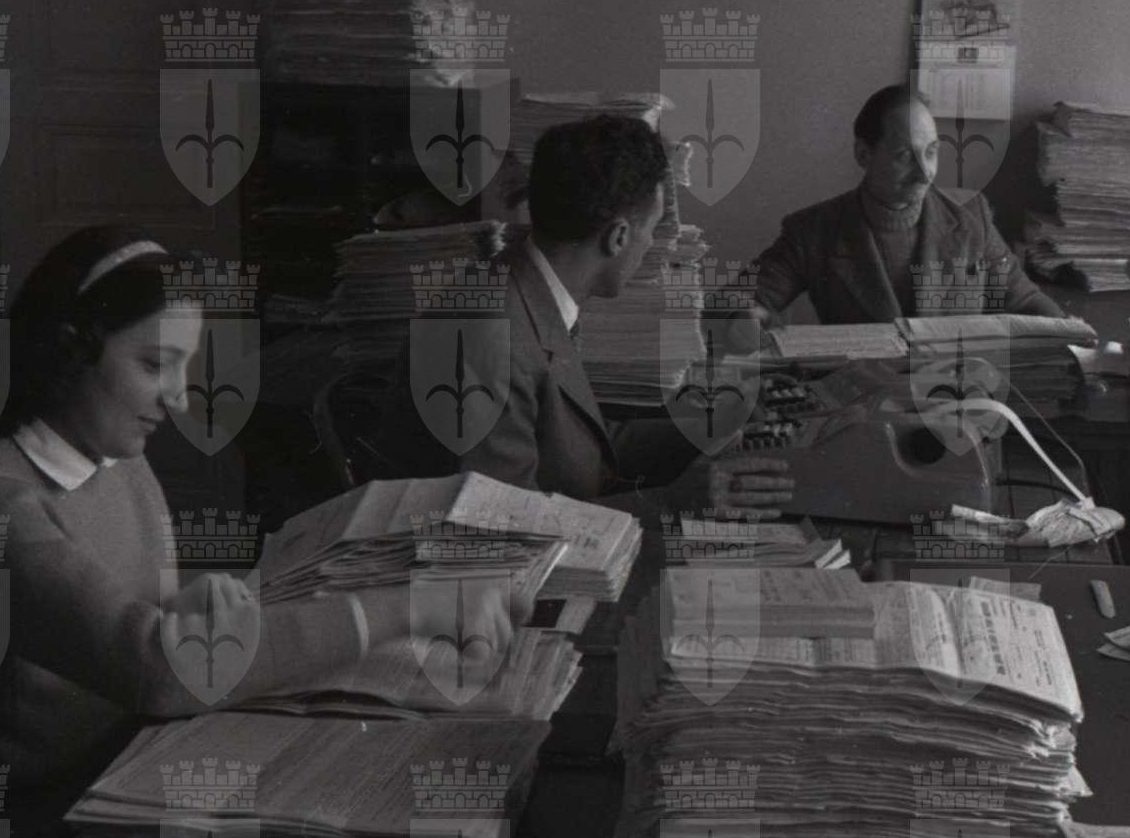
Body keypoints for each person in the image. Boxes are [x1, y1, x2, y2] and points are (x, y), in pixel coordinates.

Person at [0, 225, 505, 838]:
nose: (179, 398)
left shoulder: (112, 461)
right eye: (155, 365)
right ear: (69, 350)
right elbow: (156, 666)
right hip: (71, 837)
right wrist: (411, 607)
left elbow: (124, 610)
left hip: (144, 771)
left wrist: (190, 600)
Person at [398, 114, 793, 518]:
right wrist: (676, 502)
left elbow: (581, 450)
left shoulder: (530, 288)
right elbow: (502, 522)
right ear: (618, 237)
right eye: (653, 229)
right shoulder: (491, 338)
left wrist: (710, 423)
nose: (651, 244)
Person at [735, 85, 1065, 328]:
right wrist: (748, 318)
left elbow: (1025, 300)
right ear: (863, 155)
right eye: (905, 156)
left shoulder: (971, 215)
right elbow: (737, 299)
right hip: (860, 396)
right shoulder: (813, 231)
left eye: (931, 152)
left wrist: (1073, 339)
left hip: (955, 394)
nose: (924, 173)